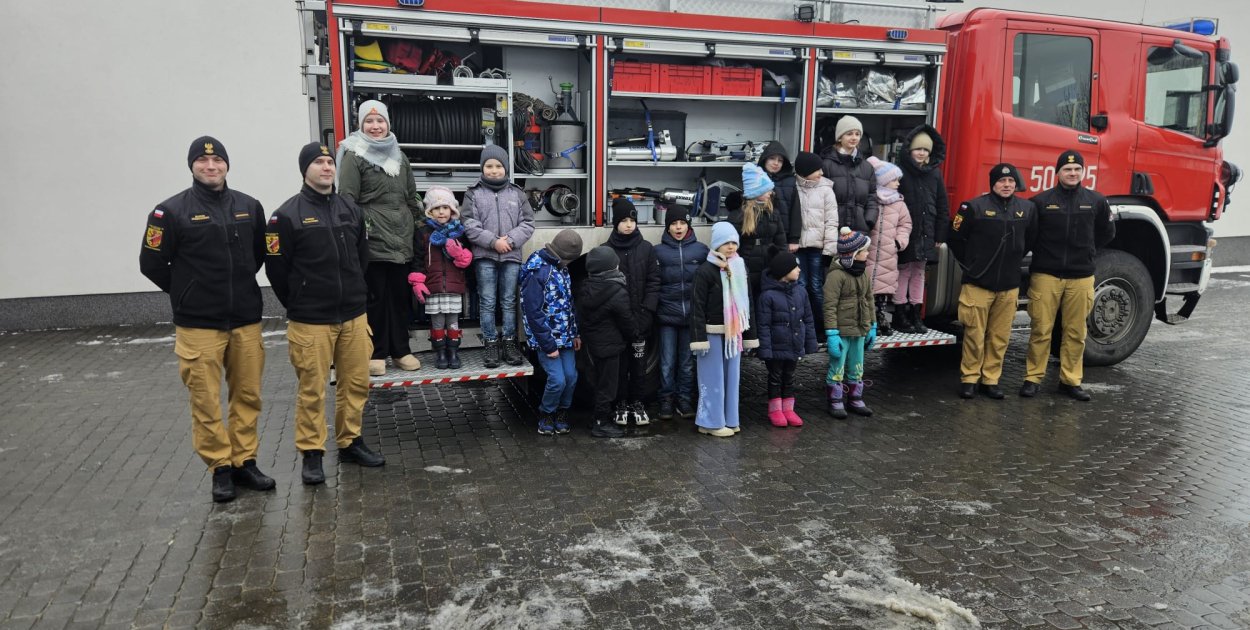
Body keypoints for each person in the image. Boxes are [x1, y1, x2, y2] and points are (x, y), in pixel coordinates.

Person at [140, 136, 273, 503]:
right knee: (206, 401)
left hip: (245, 319)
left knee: (248, 395)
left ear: (227, 165)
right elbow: (150, 264)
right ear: (192, 166)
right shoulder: (169, 212)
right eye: (202, 161)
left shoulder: (250, 206)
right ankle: (220, 468)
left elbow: (258, 256)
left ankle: (245, 461)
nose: (210, 167)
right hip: (198, 325)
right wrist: (187, 290)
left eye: (217, 162)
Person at [265, 142, 386, 486]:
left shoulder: (350, 208)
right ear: (305, 170)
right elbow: (277, 270)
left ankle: (350, 442)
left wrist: (355, 292)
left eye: (329, 162)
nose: (326, 167)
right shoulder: (285, 216)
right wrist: (300, 300)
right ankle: (312, 453)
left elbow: (363, 257)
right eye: (318, 162)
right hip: (310, 319)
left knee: (355, 383)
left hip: (352, 314)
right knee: (312, 389)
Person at [336, 99, 424, 376]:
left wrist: (420, 225)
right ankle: (376, 352)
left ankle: (401, 351)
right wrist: (354, 235)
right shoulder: (354, 154)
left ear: (388, 123)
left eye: (380, 121)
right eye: (369, 122)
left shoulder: (400, 156)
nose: (375, 127)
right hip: (372, 240)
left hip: (401, 239)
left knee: (399, 299)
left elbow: (411, 196)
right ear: (361, 125)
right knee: (374, 299)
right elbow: (348, 198)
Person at [1021, 150, 1115, 401]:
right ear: (1057, 172)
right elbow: (1030, 237)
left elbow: (1106, 233)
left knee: (1075, 331)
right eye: (1067, 170)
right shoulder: (1040, 202)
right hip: (1046, 275)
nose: (1072, 173)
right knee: (1041, 329)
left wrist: (1087, 252)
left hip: (1081, 276)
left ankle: (1070, 380)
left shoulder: (1096, 201)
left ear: (1083, 173)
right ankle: (1033, 378)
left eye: (1077, 170)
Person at [948, 164, 1038, 400]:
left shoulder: (1027, 209)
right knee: (974, 335)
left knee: (999, 337)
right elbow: (955, 237)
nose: (1007, 185)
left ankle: (991, 379)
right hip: (978, 283)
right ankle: (969, 379)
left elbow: (1030, 239)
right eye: (1001, 181)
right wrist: (971, 264)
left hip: (1008, 285)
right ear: (993, 183)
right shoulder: (972, 207)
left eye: (1010, 182)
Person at [462, 145, 535, 369]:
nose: (494, 171)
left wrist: (510, 241)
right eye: (489, 166)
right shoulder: (473, 193)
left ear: (506, 168)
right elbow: (469, 225)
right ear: (482, 168)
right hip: (485, 257)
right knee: (487, 302)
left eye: (498, 166)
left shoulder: (517, 193)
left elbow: (528, 223)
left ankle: (510, 343)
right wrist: (494, 242)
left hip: (511, 257)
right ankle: (491, 343)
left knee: (509, 302)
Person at [690, 222, 756, 437]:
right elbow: (697, 306)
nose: (731, 247)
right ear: (716, 244)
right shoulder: (705, 271)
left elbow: (747, 303)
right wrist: (699, 338)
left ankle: (729, 419)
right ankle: (709, 422)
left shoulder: (739, 267)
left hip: (733, 333)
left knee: (732, 378)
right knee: (712, 378)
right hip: (712, 332)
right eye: (726, 242)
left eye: (734, 242)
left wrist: (750, 335)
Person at [520, 229, 583, 435]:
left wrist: (575, 333)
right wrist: (548, 345)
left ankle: (562, 412)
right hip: (547, 341)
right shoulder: (538, 271)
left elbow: (568, 305)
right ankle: (546, 413)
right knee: (557, 380)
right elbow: (533, 312)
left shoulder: (561, 269)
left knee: (571, 377)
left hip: (565, 336)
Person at [606, 198, 661, 426]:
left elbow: (654, 282)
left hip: (640, 320)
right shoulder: (607, 251)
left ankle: (637, 402)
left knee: (639, 365)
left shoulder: (646, 249)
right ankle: (620, 402)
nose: (629, 225)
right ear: (615, 222)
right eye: (624, 220)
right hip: (617, 324)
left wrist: (647, 311)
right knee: (619, 366)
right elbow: (605, 287)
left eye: (632, 220)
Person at [654, 205, 709, 420]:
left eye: (682, 223)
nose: (678, 228)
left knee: (687, 363)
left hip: (691, 317)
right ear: (667, 227)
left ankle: (684, 400)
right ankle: (666, 401)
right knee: (667, 363)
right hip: (667, 315)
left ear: (688, 225)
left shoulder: (701, 250)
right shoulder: (658, 251)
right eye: (674, 224)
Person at [410, 186, 473, 370]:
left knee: (453, 321)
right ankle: (440, 352)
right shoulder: (423, 233)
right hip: (433, 286)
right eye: (436, 208)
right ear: (429, 211)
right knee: (437, 321)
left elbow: (467, 260)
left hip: (453, 286)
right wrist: (418, 280)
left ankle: (453, 352)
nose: (441, 212)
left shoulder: (459, 233)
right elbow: (418, 259)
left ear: (452, 210)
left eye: (445, 208)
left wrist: (458, 252)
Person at [895, 125, 950, 334]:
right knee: (903, 271)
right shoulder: (900, 172)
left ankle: (916, 314)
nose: (922, 153)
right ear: (910, 150)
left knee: (919, 273)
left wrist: (940, 234)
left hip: (926, 232)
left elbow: (942, 205)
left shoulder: (934, 174)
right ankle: (900, 314)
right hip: (906, 232)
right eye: (918, 149)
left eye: (926, 150)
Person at [575, 246, 635, 438]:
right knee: (608, 387)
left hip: (592, 345)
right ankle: (601, 423)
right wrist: (636, 335)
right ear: (611, 268)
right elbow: (627, 321)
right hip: (610, 346)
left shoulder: (585, 287)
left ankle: (596, 418)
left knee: (597, 382)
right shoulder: (618, 292)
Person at [756, 251, 818, 428]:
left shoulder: (801, 292)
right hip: (776, 347)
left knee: (789, 376)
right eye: (795, 267)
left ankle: (788, 408)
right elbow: (764, 325)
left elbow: (808, 318)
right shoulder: (767, 296)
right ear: (784, 271)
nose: (799, 269)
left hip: (794, 344)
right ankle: (775, 409)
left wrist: (810, 343)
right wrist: (766, 350)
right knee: (775, 376)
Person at [824, 227, 877, 419]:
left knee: (857, 365)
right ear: (854, 254)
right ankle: (835, 400)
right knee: (837, 366)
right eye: (864, 251)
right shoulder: (836, 276)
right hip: (842, 331)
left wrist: (872, 325)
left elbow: (869, 299)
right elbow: (829, 306)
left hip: (860, 328)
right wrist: (832, 333)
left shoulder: (863, 273)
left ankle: (855, 397)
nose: (868, 254)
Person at [792, 151, 840, 338]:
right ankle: (804, 326)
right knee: (800, 285)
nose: (821, 172)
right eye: (816, 169)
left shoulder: (826, 190)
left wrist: (829, 250)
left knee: (816, 286)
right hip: (798, 247)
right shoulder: (794, 187)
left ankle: (822, 326)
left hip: (817, 248)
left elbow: (831, 221)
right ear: (804, 171)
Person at [863, 157, 912, 336]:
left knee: (883, 289)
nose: (898, 183)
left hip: (888, 253)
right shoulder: (871, 200)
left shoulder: (899, 203)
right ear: (883, 180)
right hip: (869, 250)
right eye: (894, 179)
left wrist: (899, 241)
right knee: (865, 287)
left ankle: (880, 316)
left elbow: (905, 225)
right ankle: (867, 319)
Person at [820, 115, 879, 233]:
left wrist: (868, 221)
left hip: (859, 232)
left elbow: (872, 198)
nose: (854, 137)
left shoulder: (867, 167)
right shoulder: (826, 164)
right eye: (849, 134)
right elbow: (819, 199)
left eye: (857, 134)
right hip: (832, 232)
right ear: (840, 137)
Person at [757, 140, 800, 253]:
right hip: (759, 235)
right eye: (772, 158)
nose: (776, 163)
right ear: (765, 159)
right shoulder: (755, 179)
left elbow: (795, 211)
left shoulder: (790, 181)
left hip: (782, 237)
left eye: (780, 160)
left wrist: (794, 239)